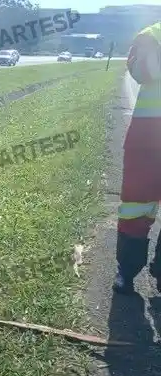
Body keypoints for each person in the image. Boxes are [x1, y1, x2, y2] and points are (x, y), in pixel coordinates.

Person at [113, 22, 161, 294]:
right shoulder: (153, 34)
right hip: (149, 135)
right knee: (137, 205)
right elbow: (139, 71)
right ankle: (127, 271)